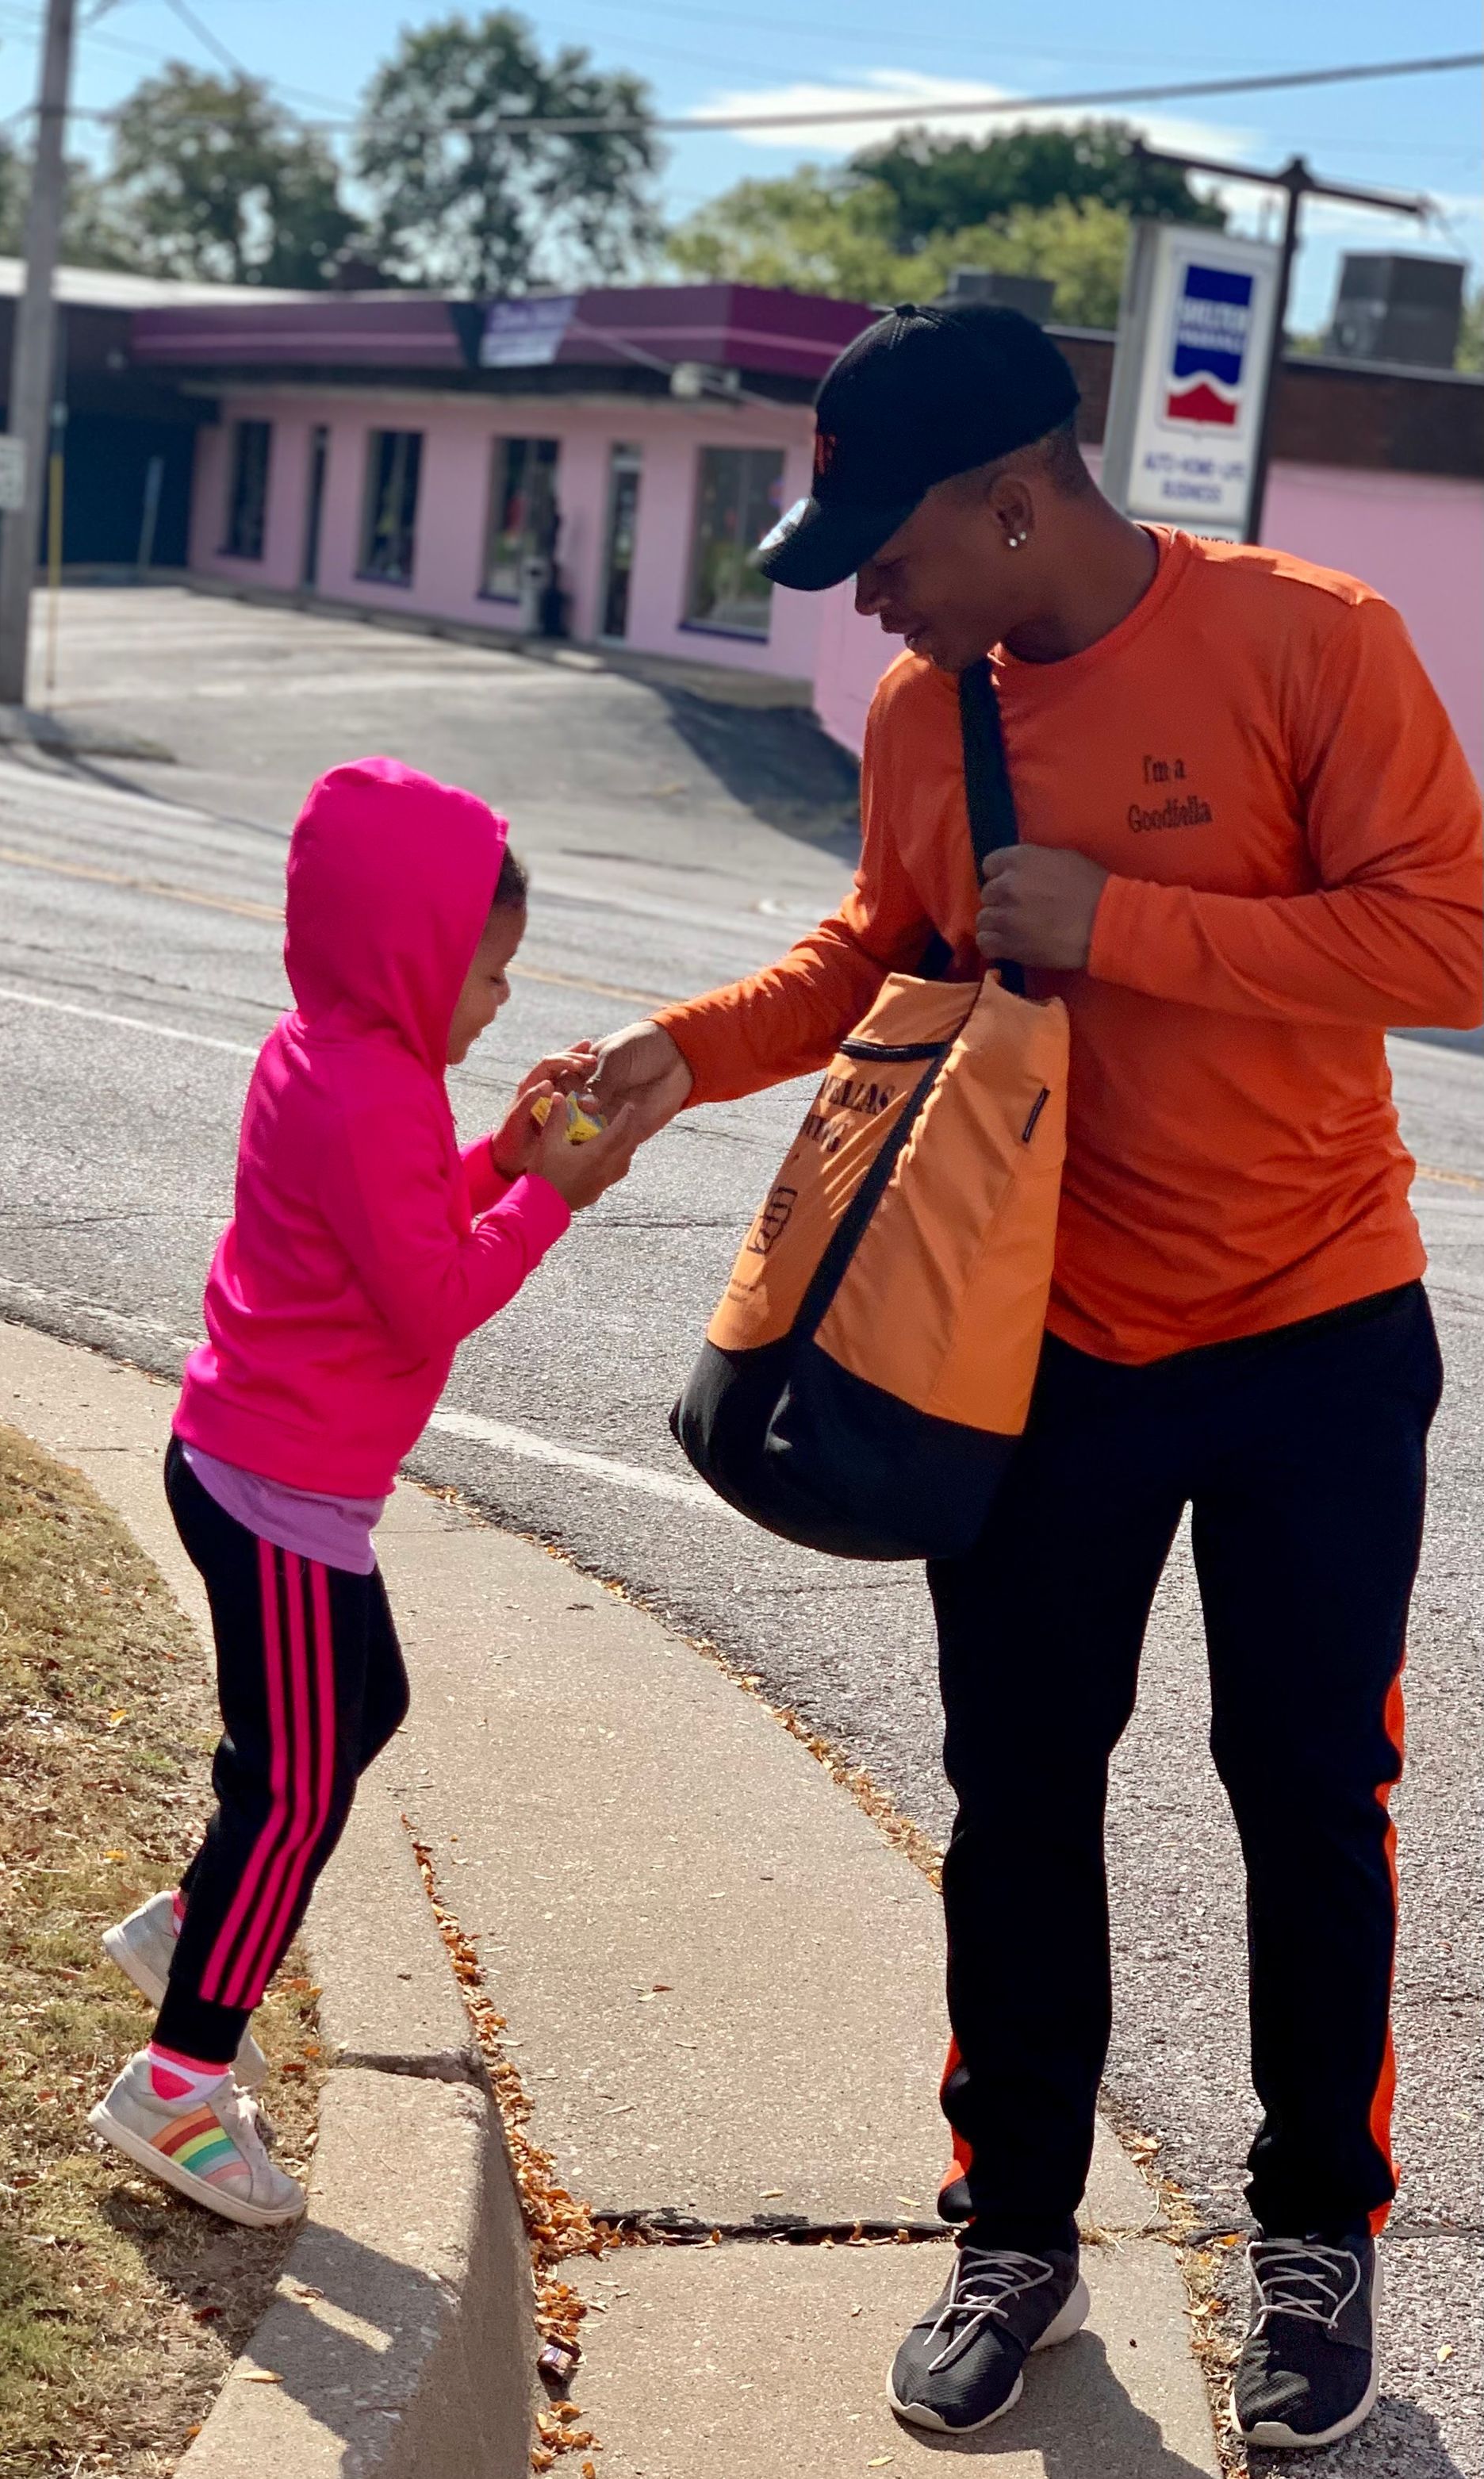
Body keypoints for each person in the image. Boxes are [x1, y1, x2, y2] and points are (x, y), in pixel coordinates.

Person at [566, 305, 1483, 2449]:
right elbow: (877, 947)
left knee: (1309, 1798)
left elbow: (1449, 933)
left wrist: (1128, 919)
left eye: (886, 547)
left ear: (1016, 498)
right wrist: (671, 1058)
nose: (865, 591)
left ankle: (1316, 2235)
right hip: (1039, 1345)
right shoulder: (922, 709)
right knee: (1024, 1793)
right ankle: (1017, 2231)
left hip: (1318, 1337)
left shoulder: (1311, 641)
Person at [89, 755, 636, 2227]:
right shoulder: (375, 1092)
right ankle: (178, 2086)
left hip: (254, 1467)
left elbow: (385, 1220)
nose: (499, 1003)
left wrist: (501, 1154)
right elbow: (427, 1299)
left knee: (347, 1713)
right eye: (487, 972)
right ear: (407, 955)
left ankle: (196, 1929)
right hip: (282, 1491)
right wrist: (551, 1197)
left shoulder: (331, 1055)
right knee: (299, 1782)